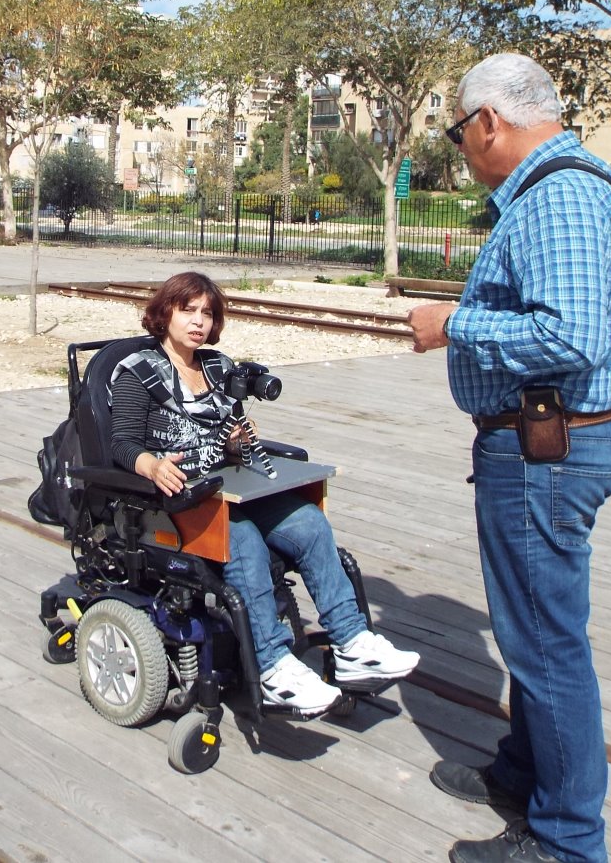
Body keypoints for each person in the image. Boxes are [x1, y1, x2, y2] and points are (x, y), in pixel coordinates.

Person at [408, 54, 611, 863]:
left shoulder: (560, 197)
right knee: (532, 631)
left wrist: (453, 324)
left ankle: (568, 840)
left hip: (546, 450)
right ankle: (526, 771)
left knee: (547, 646)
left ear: (488, 123)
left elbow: (569, 336)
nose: (464, 150)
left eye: (459, 131)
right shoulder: (574, 185)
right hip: (551, 444)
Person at [110, 270, 420, 716]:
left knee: (310, 522)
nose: (198, 321)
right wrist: (153, 465)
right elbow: (121, 443)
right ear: (164, 313)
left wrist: (235, 441)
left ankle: (352, 643)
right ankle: (274, 667)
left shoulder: (217, 366)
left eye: (207, 313)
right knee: (245, 542)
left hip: (231, 487)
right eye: (188, 310)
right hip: (175, 498)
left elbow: (224, 435)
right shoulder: (138, 372)